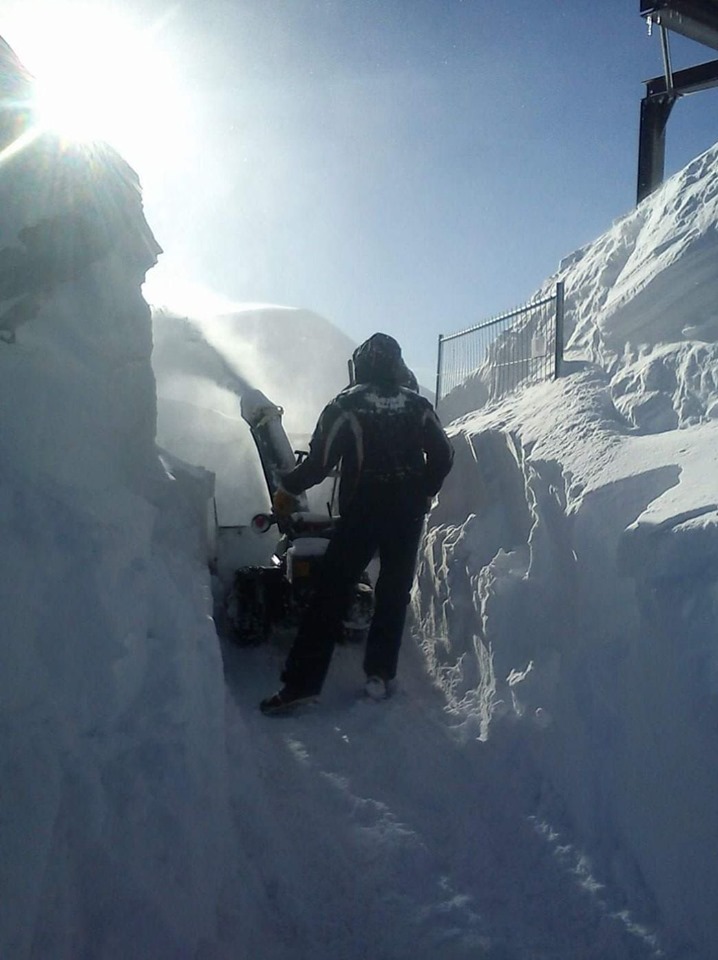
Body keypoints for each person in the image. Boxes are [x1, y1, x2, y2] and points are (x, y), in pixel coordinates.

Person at [260, 332, 454, 715]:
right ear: (396, 365)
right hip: (407, 515)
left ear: (360, 365)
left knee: (330, 594)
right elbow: (445, 454)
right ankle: (380, 676)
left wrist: (286, 488)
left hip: (363, 513)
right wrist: (423, 490)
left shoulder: (346, 405)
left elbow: (318, 465)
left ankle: (301, 685)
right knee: (394, 591)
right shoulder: (416, 405)